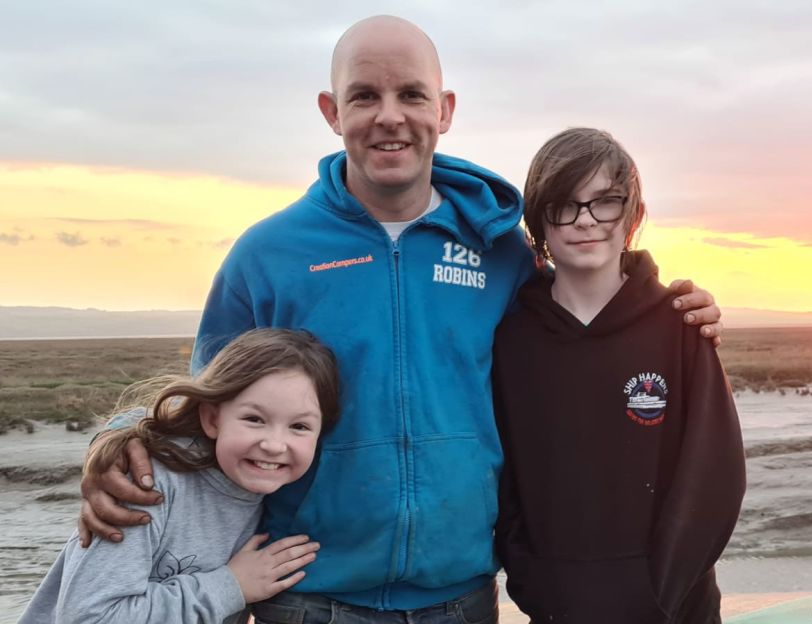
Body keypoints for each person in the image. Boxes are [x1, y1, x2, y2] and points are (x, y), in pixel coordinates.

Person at [75, 16, 723, 624]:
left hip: (461, 597)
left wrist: (666, 309)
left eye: (412, 95)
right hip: (306, 598)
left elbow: (580, 332)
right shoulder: (267, 256)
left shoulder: (498, 249)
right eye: (364, 96)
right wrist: (124, 445)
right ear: (332, 112)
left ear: (443, 110)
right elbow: (207, 413)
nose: (390, 116)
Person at [493, 128, 746, 623]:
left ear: (631, 214)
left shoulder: (681, 325)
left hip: (674, 610)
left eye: (604, 202)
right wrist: (534, 582)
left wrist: (658, 592)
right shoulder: (511, 341)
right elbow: (504, 481)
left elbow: (715, 478)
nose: (585, 221)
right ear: (539, 221)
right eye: (564, 205)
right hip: (559, 609)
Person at [19, 328, 340, 624]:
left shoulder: (279, 495)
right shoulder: (148, 483)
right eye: (254, 419)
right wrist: (232, 586)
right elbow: (89, 617)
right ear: (212, 418)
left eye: (299, 426)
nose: (273, 445)